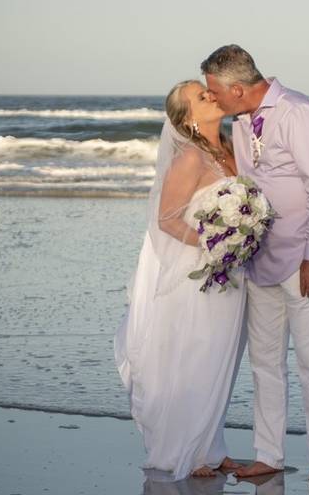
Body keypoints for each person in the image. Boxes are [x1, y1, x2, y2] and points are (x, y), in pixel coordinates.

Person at [201, 45, 309, 484]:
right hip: (258, 256)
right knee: (264, 361)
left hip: (302, 258)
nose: (214, 100)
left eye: (215, 93)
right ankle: (269, 453)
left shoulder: (298, 113)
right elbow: (249, 182)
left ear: (237, 88)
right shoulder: (241, 120)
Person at [115, 79, 246, 481]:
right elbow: (167, 219)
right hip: (200, 273)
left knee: (224, 356)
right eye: (199, 95)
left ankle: (213, 445)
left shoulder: (233, 148)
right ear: (187, 119)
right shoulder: (190, 158)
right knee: (196, 356)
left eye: (206, 90)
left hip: (234, 271)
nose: (210, 94)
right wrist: (214, 245)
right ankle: (186, 452)